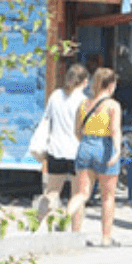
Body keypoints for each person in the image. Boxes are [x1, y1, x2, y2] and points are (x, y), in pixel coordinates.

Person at [67, 67, 122, 246]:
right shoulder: (113, 105)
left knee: (82, 193)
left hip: (85, 146)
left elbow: (77, 131)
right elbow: (115, 130)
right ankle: (106, 238)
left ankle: (70, 229)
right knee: (107, 196)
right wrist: (117, 151)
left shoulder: (83, 104)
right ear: (111, 85)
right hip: (104, 147)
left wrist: (87, 142)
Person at [35, 63, 90, 224]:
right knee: (77, 195)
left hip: (56, 149)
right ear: (85, 82)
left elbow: (47, 119)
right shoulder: (84, 102)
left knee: (52, 191)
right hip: (77, 151)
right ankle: (74, 231)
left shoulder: (56, 95)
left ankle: (37, 221)